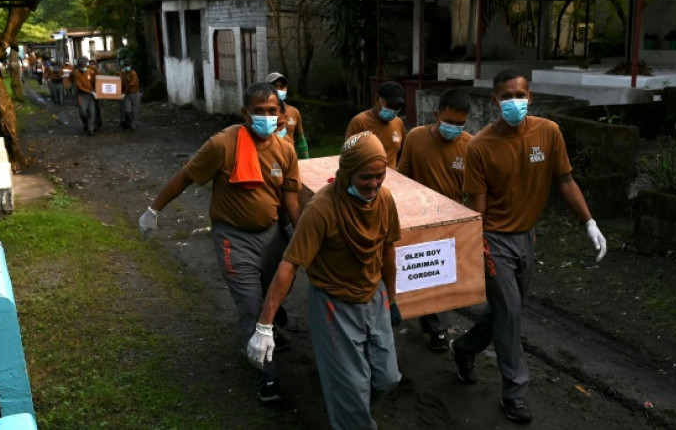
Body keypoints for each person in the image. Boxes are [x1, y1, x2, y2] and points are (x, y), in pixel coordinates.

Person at [449, 69, 607, 425]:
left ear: (530, 97)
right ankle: (514, 393)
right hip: (493, 239)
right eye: (506, 97)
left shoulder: (547, 133)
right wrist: (473, 246)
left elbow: (565, 180)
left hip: (526, 236)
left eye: (520, 95)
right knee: (511, 312)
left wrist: (589, 222)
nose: (514, 102)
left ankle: (464, 347)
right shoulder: (480, 147)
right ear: (494, 101)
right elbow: (477, 204)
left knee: (506, 309)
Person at [139, 82, 301, 404]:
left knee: (274, 292)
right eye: (259, 111)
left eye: (273, 111)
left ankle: (268, 329)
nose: (267, 117)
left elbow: (291, 201)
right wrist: (153, 209)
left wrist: (305, 233)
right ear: (245, 113)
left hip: (272, 236)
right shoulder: (222, 145)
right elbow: (186, 176)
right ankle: (266, 375)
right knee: (250, 304)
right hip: (234, 239)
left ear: (281, 114)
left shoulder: (285, 150)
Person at [247, 131, 402, 430]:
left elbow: (388, 250)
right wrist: (264, 325)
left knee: (387, 378)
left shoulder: (384, 199)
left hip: (373, 295)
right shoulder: (322, 208)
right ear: (346, 174)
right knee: (353, 389)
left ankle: (350, 408)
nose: (373, 184)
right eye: (365, 177)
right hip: (335, 303)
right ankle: (352, 416)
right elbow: (289, 266)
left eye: (380, 175)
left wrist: (392, 299)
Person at [397, 88, 473, 352]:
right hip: (417, 217)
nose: (453, 128)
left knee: (441, 274)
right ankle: (416, 314)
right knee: (417, 271)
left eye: (459, 124)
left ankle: (438, 329)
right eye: (449, 121)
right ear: (436, 114)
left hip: (451, 221)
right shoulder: (416, 138)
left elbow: (474, 191)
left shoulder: (470, 146)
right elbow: (402, 177)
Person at [345, 81, 406, 169]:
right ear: (377, 99)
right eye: (390, 105)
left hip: (392, 179)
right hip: (368, 178)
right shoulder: (360, 122)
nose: (393, 109)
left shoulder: (398, 123)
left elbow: (402, 153)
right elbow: (348, 155)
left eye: (397, 107)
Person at [266, 72, 309, 159]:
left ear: (286, 88)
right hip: (269, 160)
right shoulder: (262, 114)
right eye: (274, 87)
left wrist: (306, 160)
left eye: (282, 86)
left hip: (290, 160)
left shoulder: (294, 112)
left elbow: (300, 140)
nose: (278, 90)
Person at [70, 57, 97, 135]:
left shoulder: (89, 71)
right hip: (82, 95)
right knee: (83, 112)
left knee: (92, 112)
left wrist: (96, 89)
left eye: (84, 66)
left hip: (91, 95)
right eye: (82, 66)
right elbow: (79, 87)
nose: (83, 68)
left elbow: (95, 80)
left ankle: (91, 129)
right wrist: (89, 91)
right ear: (79, 66)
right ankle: (86, 124)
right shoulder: (76, 74)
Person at [119, 59, 141, 131]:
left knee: (135, 111)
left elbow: (131, 84)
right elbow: (120, 82)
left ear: (130, 66)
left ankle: (133, 125)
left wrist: (124, 93)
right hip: (127, 94)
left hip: (134, 93)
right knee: (127, 110)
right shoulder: (122, 73)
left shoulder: (133, 73)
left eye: (128, 65)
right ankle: (127, 122)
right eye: (125, 65)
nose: (126, 67)